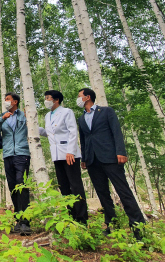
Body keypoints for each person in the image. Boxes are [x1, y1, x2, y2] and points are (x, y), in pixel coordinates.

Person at [77, 88, 145, 240]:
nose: (78, 99)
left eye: (79, 96)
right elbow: (84, 139)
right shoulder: (81, 119)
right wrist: (84, 158)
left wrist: (121, 151)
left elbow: (116, 132)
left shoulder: (106, 112)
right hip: (92, 160)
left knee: (123, 191)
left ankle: (138, 228)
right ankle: (111, 224)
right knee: (102, 194)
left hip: (110, 157)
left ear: (88, 97)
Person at [39, 90, 88, 224]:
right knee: (64, 186)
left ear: (56, 100)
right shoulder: (48, 115)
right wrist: (32, 126)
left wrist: (71, 151)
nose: (46, 100)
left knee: (75, 185)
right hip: (56, 155)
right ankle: (72, 216)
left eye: (48, 98)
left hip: (68, 153)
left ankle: (82, 218)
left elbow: (73, 131)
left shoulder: (67, 112)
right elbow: (48, 133)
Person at [0, 92, 32, 236]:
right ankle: (18, 220)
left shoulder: (23, 115)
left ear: (15, 101)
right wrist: (1, 120)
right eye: (5, 100)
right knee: (13, 187)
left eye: (8, 100)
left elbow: (32, 128)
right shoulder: (3, 117)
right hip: (8, 154)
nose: (6, 102)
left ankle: (25, 222)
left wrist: (30, 117)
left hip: (22, 154)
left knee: (22, 184)